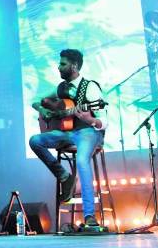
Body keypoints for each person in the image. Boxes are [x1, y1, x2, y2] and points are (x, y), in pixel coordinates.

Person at [29, 49, 106, 228]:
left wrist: (91, 119)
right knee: (35, 140)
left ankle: (89, 216)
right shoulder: (61, 88)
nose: (58, 67)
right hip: (68, 133)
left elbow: (104, 120)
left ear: (74, 66)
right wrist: (43, 110)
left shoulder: (90, 86)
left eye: (62, 64)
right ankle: (65, 176)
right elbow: (36, 100)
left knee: (81, 160)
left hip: (89, 132)